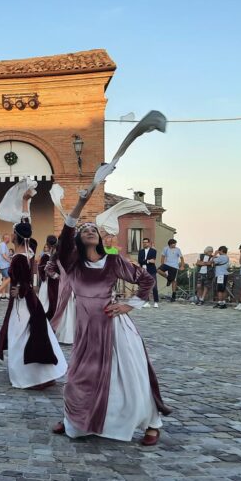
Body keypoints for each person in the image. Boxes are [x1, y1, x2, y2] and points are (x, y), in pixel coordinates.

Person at [52, 190, 171, 446]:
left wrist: (130, 305)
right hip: (85, 328)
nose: (89, 230)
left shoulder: (113, 261)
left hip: (113, 325)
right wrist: (81, 201)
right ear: (78, 239)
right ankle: (74, 418)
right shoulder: (72, 263)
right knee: (77, 377)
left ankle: (152, 424)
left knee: (129, 375)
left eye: (92, 228)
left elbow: (146, 279)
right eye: (84, 229)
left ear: (99, 236)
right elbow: (64, 236)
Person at [0, 194, 68, 390]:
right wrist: (26, 201)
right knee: (36, 333)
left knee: (20, 335)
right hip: (30, 300)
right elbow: (27, 225)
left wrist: (18, 289)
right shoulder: (30, 250)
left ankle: (29, 376)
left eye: (12, 233)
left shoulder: (19, 257)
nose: (9, 235)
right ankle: (44, 373)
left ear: (16, 236)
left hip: (23, 301)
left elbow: (23, 281)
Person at [137, 238, 159, 308]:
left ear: (149, 243)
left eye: (146, 242)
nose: (145, 243)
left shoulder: (153, 251)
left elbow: (153, 260)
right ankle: (146, 302)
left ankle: (156, 302)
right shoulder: (140, 251)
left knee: (154, 286)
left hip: (151, 270)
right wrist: (148, 261)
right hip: (143, 271)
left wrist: (145, 261)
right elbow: (140, 261)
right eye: (143, 242)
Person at [0, 234, 12, 300]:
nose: (9, 239)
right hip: (4, 265)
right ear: (6, 238)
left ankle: (3, 295)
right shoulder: (2, 245)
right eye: (9, 238)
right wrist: (10, 261)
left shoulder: (4, 245)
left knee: (5, 279)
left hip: (4, 265)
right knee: (9, 278)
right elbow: (4, 255)